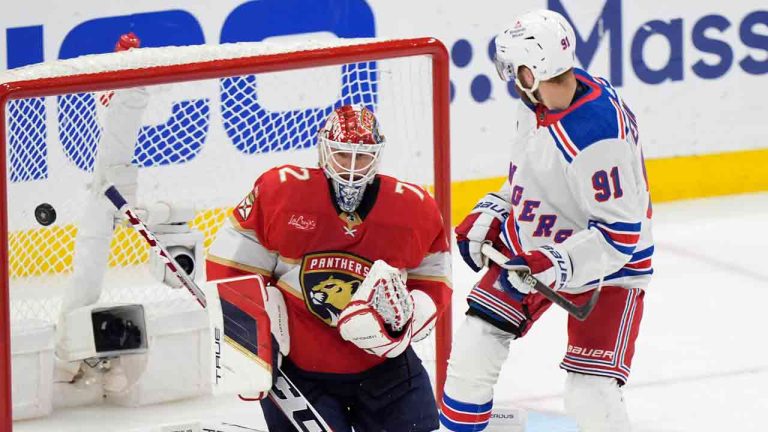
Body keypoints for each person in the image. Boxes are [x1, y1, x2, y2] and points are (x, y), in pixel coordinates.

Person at [440, 9, 653, 432]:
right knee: (474, 348)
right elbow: (533, 175)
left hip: (609, 270)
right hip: (537, 254)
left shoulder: (596, 137)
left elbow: (619, 236)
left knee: (589, 392)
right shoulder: (539, 102)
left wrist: (552, 262)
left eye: (514, 71)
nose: (510, 81)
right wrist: (495, 209)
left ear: (529, 72)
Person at [206, 104, 451, 431]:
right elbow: (232, 264)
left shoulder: (413, 209)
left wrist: (406, 322)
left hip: (385, 371)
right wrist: (248, 344)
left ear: (376, 157)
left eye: (361, 157)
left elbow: (434, 278)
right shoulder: (283, 193)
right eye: (342, 155)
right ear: (324, 151)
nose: (352, 167)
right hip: (301, 372)